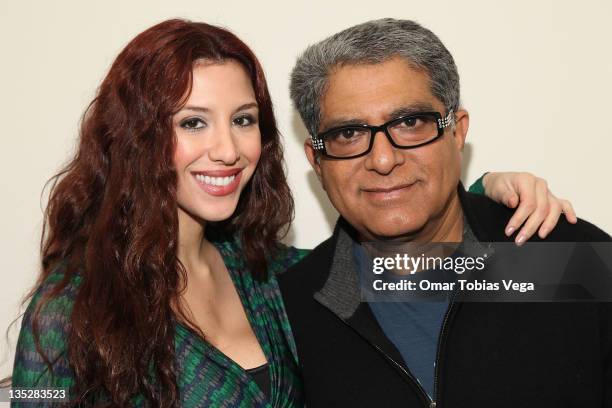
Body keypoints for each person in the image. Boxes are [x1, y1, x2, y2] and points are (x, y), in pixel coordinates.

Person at [8, 18, 576, 408]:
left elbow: (421, 258)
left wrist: (484, 192)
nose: (227, 150)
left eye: (244, 119)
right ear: (135, 137)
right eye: (192, 122)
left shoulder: (278, 276)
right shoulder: (65, 310)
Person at [279, 18, 612, 407]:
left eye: (410, 122)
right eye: (348, 133)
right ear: (317, 161)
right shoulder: (287, 312)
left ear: (457, 132)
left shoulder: (570, 261)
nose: (383, 159)